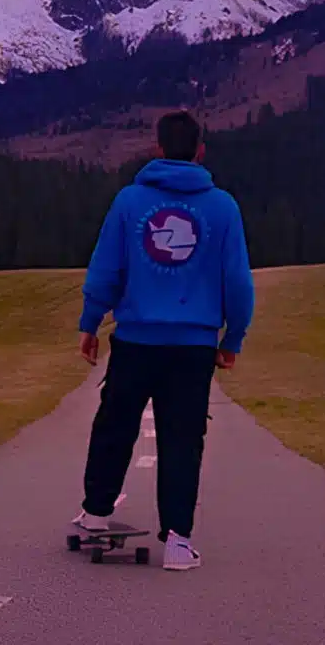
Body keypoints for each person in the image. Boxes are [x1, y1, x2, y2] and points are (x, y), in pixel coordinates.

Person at [72, 110, 255, 571]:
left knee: (115, 426)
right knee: (183, 438)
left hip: (135, 340)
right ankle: (177, 541)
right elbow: (237, 283)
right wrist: (232, 337)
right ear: (200, 152)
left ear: (156, 149)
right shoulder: (223, 207)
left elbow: (106, 270)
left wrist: (90, 323)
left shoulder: (129, 201)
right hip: (193, 347)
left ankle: (96, 513)